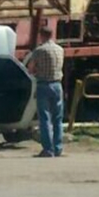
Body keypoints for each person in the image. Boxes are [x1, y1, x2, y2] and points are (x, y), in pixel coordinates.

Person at [27, 27, 65, 158]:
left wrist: (36, 71)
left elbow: (30, 69)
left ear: (41, 36)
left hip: (43, 85)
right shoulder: (60, 50)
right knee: (58, 118)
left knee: (44, 118)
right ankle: (58, 147)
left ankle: (48, 149)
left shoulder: (39, 51)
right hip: (57, 85)